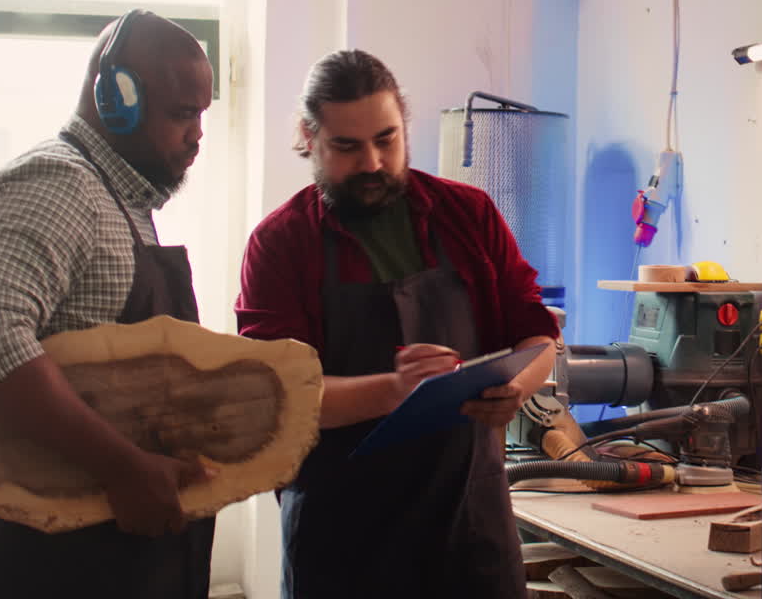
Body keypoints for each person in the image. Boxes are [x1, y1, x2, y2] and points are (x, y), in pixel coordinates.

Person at [235, 49, 559, 598]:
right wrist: (396, 390)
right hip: (341, 540)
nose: (372, 163)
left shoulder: (469, 214)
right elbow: (277, 395)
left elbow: (539, 334)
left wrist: (515, 389)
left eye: (386, 139)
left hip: (469, 530)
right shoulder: (281, 244)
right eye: (347, 146)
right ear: (309, 138)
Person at [0, 9, 217, 598]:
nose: (197, 135)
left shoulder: (123, 203)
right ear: (116, 101)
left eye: (202, 115)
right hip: (55, 568)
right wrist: (122, 466)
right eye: (181, 114)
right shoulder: (59, 185)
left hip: (126, 560)